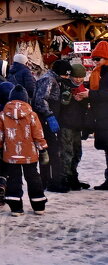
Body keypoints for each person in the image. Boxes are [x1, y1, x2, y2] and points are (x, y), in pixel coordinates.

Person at [0, 85, 47, 215]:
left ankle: (16, 207)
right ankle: (38, 205)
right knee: (33, 177)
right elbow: (38, 134)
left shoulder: (2, 116)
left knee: (13, 179)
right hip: (30, 154)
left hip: (10, 154)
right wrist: (43, 149)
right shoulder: (32, 115)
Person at [33, 59, 69, 192]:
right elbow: (40, 99)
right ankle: (52, 181)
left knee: (50, 149)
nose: (67, 77)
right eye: (65, 74)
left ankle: (47, 180)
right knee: (52, 150)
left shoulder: (53, 79)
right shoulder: (48, 80)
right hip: (46, 120)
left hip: (49, 118)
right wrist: (49, 115)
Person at [57, 60, 90, 190]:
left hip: (78, 124)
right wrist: (69, 98)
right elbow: (61, 104)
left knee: (77, 152)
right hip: (66, 124)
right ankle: (65, 178)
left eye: (80, 77)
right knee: (67, 152)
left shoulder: (85, 88)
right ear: (70, 75)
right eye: (75, 76)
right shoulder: (63, 85)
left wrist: (85, 98)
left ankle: (73, 176)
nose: (78, 79)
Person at [90, 40, 108, 191]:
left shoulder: (105, 74)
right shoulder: (99, 73)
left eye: (98, 59)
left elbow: (105, 94)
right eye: (94, 59)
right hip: (103, 117)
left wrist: (89, 94)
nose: (95, 62)